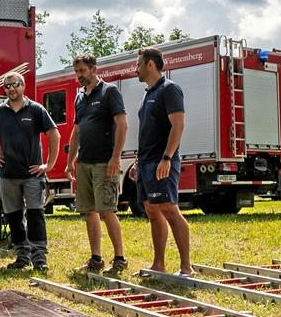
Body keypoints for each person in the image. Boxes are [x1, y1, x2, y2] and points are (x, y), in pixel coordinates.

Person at [0, 71, 60, 272]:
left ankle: (39, 258)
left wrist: (48, 165)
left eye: (15, 85)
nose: (11, 89)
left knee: (35, 215)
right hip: (7, 175)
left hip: (32, 175)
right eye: (7, 86)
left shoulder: (36, 110)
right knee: (13, 217)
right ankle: (22, 256)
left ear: (23, 86)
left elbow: (53, 134)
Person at [64, 52, 129, 274]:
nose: (79, 76)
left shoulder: (110, 92)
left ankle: (119, 258)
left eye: (82, 71)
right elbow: (76, 131)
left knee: (107, 210)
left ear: (94, 68)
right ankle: (96, 259)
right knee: (89, 211)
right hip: (84, 163)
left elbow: (122, 125)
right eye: (76, 72)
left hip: (105, 161)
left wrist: (116, 156)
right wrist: (70, 161)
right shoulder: (79, 96)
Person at [132, 47, 192, 276]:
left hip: (162, 161)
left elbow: (178, 125)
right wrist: (138, 162)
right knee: (151, 210)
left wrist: (167, 157)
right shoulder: (148, 93)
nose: (135, 68)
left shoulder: (170, 89)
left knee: (169, 209)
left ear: (150, 64)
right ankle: (159, 265)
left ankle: (187, 267)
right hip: (146, 162)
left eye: (138, 64)